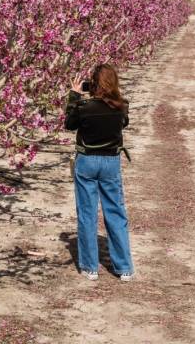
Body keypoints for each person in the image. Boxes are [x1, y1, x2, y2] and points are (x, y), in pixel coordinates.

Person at [65, 63, 134, 282]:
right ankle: (124, 268)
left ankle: (90, 267)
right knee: (115, 212)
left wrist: (74, 97)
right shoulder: (121, 107)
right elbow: (123, 123)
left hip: (87, 161)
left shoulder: (84, 107)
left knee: (87, 213)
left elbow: (69, 124)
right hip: (111, 161)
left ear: (93, 84)